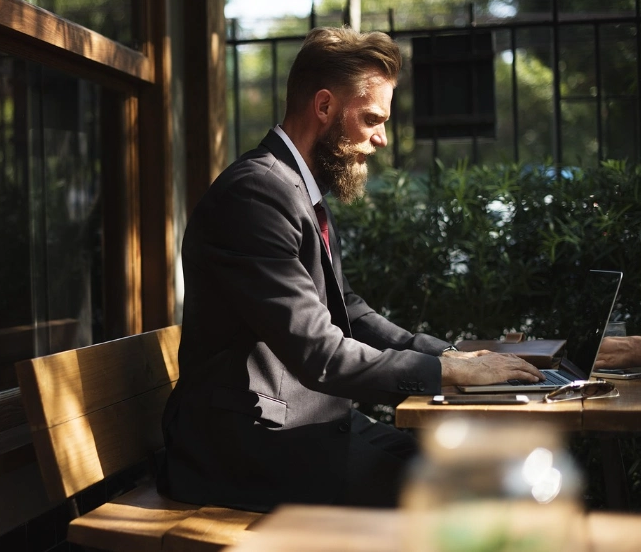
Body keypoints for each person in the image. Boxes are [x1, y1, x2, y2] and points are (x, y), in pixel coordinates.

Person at [159, 26, 544, 511]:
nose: (382, 139)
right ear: (324, 107)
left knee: (490, 470)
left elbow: (350, 312)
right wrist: (445, 371)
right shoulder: (254, 195)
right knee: (475, 489)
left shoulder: (293, 188)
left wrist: (454, 357)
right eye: (372, 119)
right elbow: (322, 354)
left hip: (304, 428)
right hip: (247, 451)